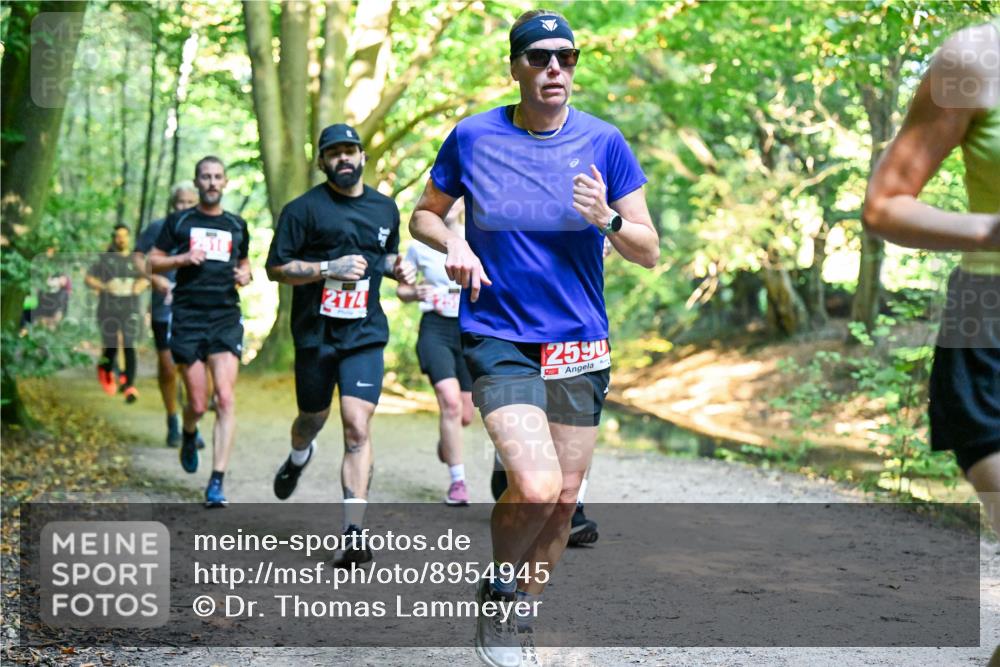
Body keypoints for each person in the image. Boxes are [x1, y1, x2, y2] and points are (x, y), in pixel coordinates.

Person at [410, 10, 659, 666]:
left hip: (580, 343)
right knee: (540, 484)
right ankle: (497, 591)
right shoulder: (473, 137)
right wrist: (457, 242)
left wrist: (604, 216)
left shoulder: (605, 143)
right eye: (541, 57)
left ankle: (519, 610)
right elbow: (423, 217)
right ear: (515, 66)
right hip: (500, 333)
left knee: (562, 502)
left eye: (567, 58)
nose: (556, 69)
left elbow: (649, 248)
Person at [265, 124, 414, 564]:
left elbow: (380, 257)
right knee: (311, 418)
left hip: (364, 333)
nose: (343, 159)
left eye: (350, 150)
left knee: (356, 425)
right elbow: (277, 269)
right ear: (322, 162)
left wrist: (396, 268)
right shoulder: (302, 210)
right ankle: (298, 456)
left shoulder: (385, 209)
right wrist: (328, 266)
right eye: (334, 153)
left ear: (363, 156)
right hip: (315, 334)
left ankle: (353, 533)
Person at [148, 156, 252, 508]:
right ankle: (189, 433)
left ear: (225, 183)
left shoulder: (237, 225)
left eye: (217, 177)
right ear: (196, 181)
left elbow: (244, 261)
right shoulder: (179, 222)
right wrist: (181, 260)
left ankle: (217, 481)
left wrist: (245, 274)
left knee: (224, 398)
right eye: (205, 177)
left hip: (225, 316)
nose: (211, 182)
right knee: (197, 402)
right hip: (188, 317)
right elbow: (152, 259)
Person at [397, 198, 475, 506]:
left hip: (468, 330)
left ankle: (448, 440)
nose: (453, 203)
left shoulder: (478, 240)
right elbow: (402, 290)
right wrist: (415, 291)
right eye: (448, 197)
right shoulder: (420, 246)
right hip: (435, 330)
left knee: (466, 414)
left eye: (459, 198)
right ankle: (458, 482)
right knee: (450, 403)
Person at [134, 182, 201, 447]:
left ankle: (191, 423)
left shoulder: (203, 231)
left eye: (188, 203)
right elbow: (138, 258)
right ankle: (172, 418)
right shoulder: (158, 227)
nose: (183, 207)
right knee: (168, 365)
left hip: (196, 307)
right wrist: (155, 279)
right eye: (179, 203)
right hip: (164, 305)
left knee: (193, 366)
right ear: (173, 204)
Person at [85, 224, 148, 403]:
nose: (121, 239)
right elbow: (89, 278)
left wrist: (140, 285)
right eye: (118, 236)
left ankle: (129, 385)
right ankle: (105, 370)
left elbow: (147, 276)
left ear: (129, 238)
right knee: (111, 345)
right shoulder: (104, 259)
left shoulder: (136, 259)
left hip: (130, 308)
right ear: (114, 238)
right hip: (108, 309)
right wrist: (105, 286)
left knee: (129, 344)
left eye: (124, 236)